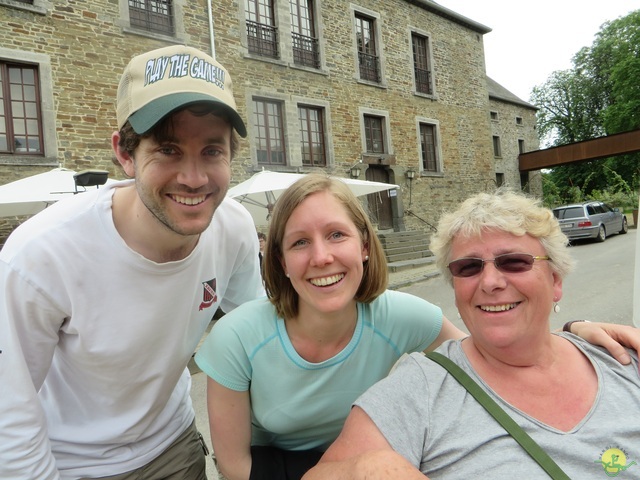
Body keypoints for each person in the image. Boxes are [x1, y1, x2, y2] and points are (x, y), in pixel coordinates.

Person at [194, 177, 639, 480]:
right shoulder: (239, 337)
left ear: (365, 247)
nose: (321, 257)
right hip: (277, 467)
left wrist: (573, 332)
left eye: (336, 235)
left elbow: (487, 354)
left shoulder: (404, 317)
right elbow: (234, 466)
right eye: (298, 243)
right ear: (279, 262)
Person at [0, 44, 264, 479]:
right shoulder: (41, 255)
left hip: (174, 446)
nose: (194, 179)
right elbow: (10, 409)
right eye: (168, 150)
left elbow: (256, 337)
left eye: (212, 151)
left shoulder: (232, 225)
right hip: (71, 464)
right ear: (125, 153)